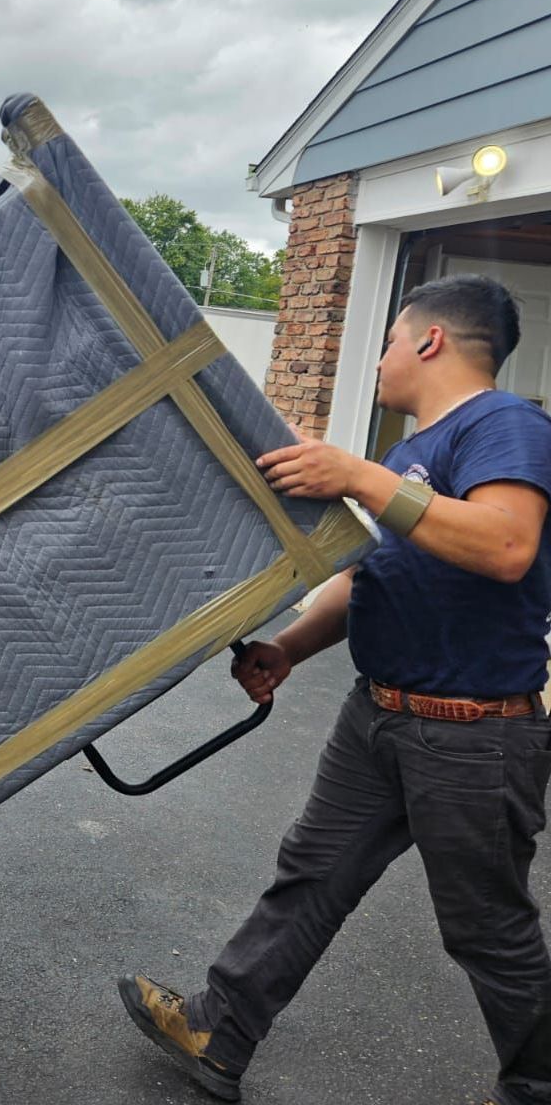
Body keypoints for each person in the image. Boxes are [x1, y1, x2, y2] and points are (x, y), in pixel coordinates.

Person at [118, 273, 551, 1105]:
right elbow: (375, 578)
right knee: (310, 875)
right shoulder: (407, 456)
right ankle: (219, 1032)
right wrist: (287, 646)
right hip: (381, 715)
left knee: (487, 929)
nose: (382, 357)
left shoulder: (507, 424)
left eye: (389, 338)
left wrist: (359, 476)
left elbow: (506, 546)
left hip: (472, 736)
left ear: (429, 341)